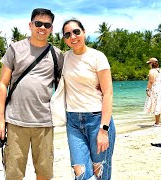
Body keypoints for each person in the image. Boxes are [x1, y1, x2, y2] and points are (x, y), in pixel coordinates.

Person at [0, 8, 64, 180]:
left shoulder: (57, 54)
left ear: (51, 29)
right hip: (16, 121)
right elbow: (3, 84)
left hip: (45, 122)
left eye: (47, 25)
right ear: (30, 25)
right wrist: (0, 118)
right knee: (13, 174)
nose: (42, 28)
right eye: (38, 23)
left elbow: (65, 86)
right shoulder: (15, 49)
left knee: (44, 173)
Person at [61, 19, 116, 180]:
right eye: (68, 34)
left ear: (84, 33)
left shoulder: (98, 57)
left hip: (97, 120)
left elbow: (108, 93)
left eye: (76, 31)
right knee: (81, 173)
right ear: (65, 39)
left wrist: (103, 130)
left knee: (100, 174)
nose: (73, 36)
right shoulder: (64, 58)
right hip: (73, 121)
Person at [144, 57, 161, 126]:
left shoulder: (151, 71)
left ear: (152, 64)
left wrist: (148, 89)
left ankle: (157, 123)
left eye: (149, 63)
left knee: (157, 104)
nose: (149, 65)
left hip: (156, 88)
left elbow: (151, 81)